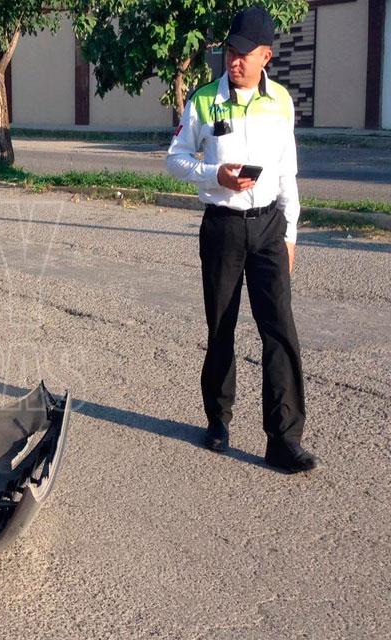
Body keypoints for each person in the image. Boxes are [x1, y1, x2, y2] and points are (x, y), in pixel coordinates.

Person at [165, 6, 317, 473]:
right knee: (221, 326)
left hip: (269, 226)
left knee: (280, 330)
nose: (234, 60)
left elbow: (288, 173)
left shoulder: (281, 102)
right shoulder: (204, 101)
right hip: (223, 227)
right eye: (231, 50)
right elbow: (175, 159)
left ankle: (284, 439)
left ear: (266, 56)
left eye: (244, 53)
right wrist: (216, 175)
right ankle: (218, 419)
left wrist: (290, 234)